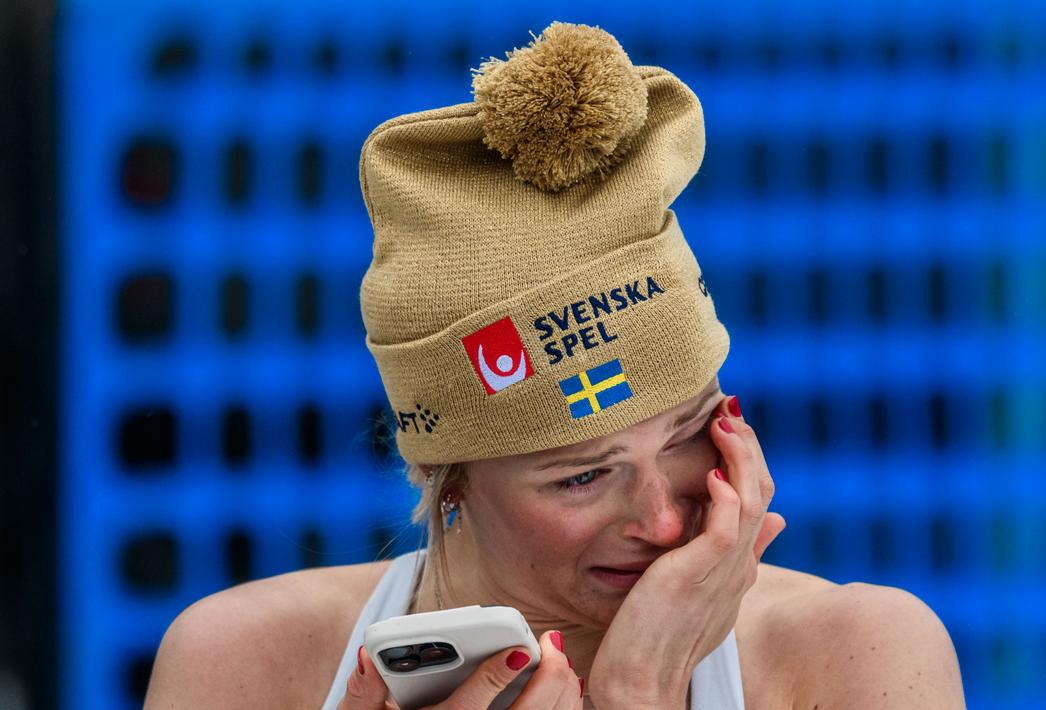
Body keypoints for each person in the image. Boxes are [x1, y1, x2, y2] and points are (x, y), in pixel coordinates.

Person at [145, 21, 965, 709]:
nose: (665, 523)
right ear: (447, 477)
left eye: (688, 432)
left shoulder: (854, 656)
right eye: (582, 475)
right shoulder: (247, 664)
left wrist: (642, 691)